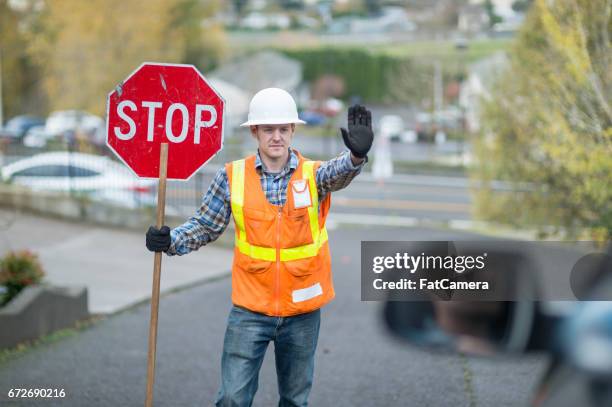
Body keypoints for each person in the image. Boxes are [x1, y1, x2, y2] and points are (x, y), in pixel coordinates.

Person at [145, 87, 374, 406]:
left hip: (302, 310)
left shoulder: (312, 176)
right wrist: (170, 241)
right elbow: (205, 225)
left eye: (283, 128)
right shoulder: (232, 177)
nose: (277, 136)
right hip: (250, 309)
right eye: (269, 129)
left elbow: (337, 173)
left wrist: (356, 157)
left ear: (293, 130)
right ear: (255, 131)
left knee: (295, 400)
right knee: (233, 399)